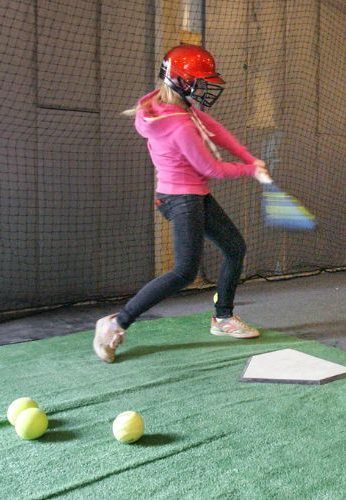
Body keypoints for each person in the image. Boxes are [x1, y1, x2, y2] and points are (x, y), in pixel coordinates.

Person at [93, 44, 273, 363]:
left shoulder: (171, 105)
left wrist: (249, 156)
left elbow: (215, 130)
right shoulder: (179, 124)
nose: (203, 88)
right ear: (179, 80)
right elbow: (211, 168)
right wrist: (249, 171)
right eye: (197, 82)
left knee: (234, 247)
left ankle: (223, 318)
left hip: (193, 194)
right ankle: (115, 323)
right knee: (184, 272)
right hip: (182, 199)